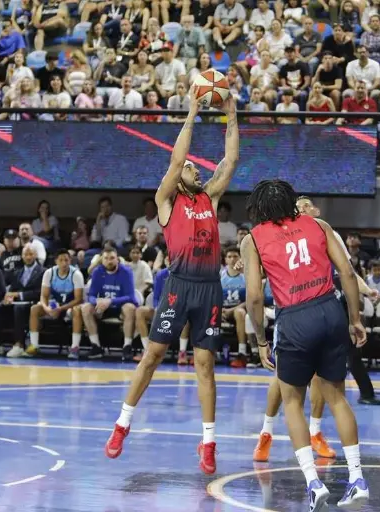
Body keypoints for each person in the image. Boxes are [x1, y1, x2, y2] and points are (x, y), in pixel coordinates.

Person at [105, 89, 239, 476]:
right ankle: (122, 424)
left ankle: (208, 441)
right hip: (179, 286)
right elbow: (178, 159)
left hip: (209, 288)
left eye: (197, 168)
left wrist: (231, 113)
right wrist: (193, 111)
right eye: (191, 168)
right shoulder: (167, 200)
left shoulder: (209, 198)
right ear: (177, 178)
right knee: (152, 355)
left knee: (205, 365)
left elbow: (231, 160)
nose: (196, 170)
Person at [241, 179, 370, 511]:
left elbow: (254, 297)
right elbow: (347, 272)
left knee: (292, 401)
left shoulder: (252, 239)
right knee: (336, 397)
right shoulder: (319, 225)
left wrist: (260, 340)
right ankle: (357, 478)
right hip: (330, 310)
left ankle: (313, 483)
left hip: (294, 318)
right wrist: (355, 319)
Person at [252, 195, 380, 466]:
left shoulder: (324, 230)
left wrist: (366, 290)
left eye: (305, 205)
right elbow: (259, 268)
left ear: (316, 210)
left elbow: (347, 270)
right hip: (291, 312)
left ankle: (315, 431)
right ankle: (266, 431)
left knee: (323, 380)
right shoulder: (276, 233)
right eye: (297, 205)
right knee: (282, 378)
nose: (300, 208)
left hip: (323, 305)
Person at [28, 249, 85, 358]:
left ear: (70, 261)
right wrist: (47, 308)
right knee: (34, 309)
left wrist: (61, 309)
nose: (64, 263)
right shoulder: (49, 273)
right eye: (61, 260)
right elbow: (43, 296)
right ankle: (34, 345)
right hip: (55, 305)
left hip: (70, 306)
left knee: (77, 311)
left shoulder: (76, 274)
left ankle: (75, 347)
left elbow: (79, 299)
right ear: (56, 261)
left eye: (66, 260)